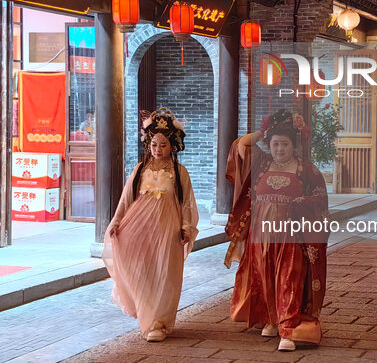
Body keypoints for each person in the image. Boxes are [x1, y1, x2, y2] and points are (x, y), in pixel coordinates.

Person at [224, 109, 329, 352]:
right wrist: (265, 130)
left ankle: (288, 329)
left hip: (291, 234)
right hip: (261, 234)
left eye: (285, 144)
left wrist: (300, 204)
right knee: (264, 277)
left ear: (294, 146)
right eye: (275, 144)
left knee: (289, 278)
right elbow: (240, 145)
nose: (279, 149)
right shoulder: (261, 163)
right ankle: (271, 319)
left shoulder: (307, 170)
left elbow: (321, 200)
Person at [102, 108, 199, 342]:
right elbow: (126, 200)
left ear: (172, 146)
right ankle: (148, 317)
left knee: (166, 273)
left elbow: (187, 203)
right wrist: (116, 222)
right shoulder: (140, 170)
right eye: (154, 144)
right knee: (143, 270)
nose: (158, 150)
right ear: (148, 144)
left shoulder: (180, 172)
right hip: (139, 226)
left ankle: (160, 322)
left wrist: (186, 227)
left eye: (163, 145)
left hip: (168, 228)